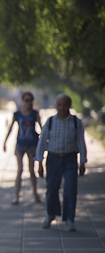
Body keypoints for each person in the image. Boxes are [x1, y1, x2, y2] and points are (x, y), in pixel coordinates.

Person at [35, 94, 87, 232]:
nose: (62, 108)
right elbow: (42, 141)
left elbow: (81, 142)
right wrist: (39, 161)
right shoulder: (51, 122)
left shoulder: (76, 122)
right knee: (51, 189)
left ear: (69, 106)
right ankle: (50, 214)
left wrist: (83, 162)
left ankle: (69, 219)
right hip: (53, 159)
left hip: (70, 159)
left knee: (70, 189)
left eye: (65, 105)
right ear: (56, 105)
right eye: (59, 105)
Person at [3, 91, 43, 204]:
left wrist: (45, 141)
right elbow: (10, 128)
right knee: (20, 169)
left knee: (31, 170)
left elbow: (42, 127)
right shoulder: (17, 114)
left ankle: (35, 193)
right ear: (22, 101)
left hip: (32, 145)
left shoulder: (35, 113)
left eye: (31, 101)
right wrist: (5, 142)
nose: (29, 103)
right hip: (20, 144)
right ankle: (16, 196)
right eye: (26, 100)